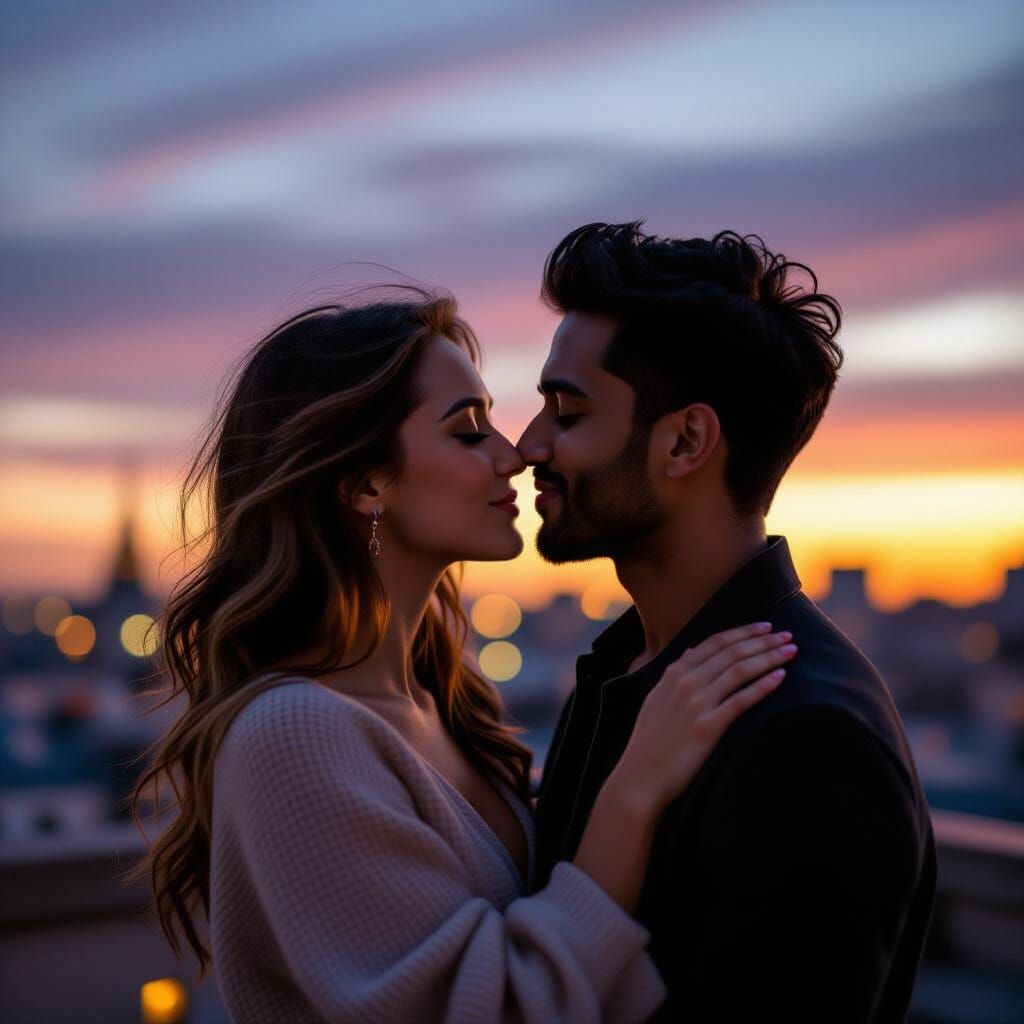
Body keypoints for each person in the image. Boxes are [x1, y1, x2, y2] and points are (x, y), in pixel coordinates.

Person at [126, 289, 800, 1023]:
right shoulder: (293, 732)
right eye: (469, 431)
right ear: (364, 482)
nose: (514, 455)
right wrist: (635, 788)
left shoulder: (432, 701)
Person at [519, 222, 937, 1023]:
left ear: (685, 442)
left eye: (566, 414)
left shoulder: (807, 735)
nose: (529, 443)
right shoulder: (620, 677)